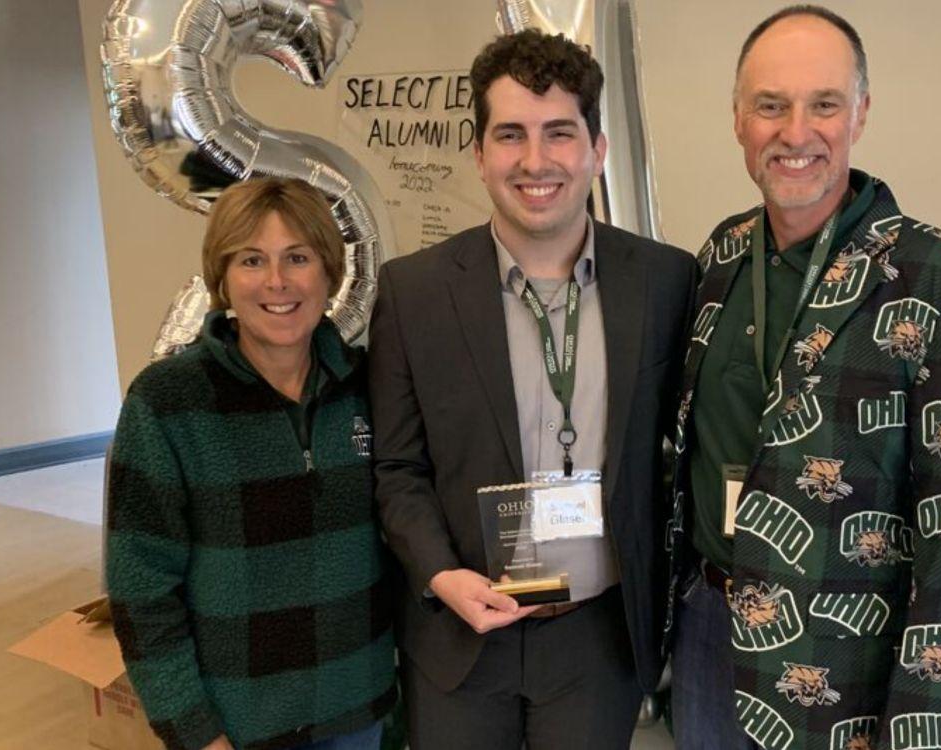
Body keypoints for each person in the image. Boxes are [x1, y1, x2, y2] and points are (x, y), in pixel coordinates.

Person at [663, 6, 941, 750]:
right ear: (737, 121)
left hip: (846, 662)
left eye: (823, 104)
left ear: (859, 113)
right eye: (770, 106)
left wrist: (917, 719)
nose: (795, 133)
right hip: (708, 630)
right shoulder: (721, 256)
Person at [369, 29, 697, 750]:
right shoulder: (413, 291)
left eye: (559, 133)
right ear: (478, 153)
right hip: (461, 633)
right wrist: (439, 575)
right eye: (510, 134)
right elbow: (397, 469)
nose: (535, 160)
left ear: (596, 149)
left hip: (597, 636)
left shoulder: (665, 281)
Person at [106, 177, 397, 750]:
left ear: (330, 273)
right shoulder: (167, 402)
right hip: (238, 725)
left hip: (357, 708)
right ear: (222, 279)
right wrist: (193, 730)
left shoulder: (371, 385)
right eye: (251, 260)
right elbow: (141, 590)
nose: (277, 282)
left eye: (298, 258)